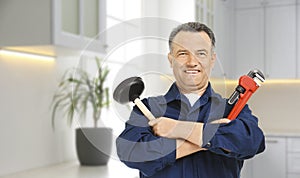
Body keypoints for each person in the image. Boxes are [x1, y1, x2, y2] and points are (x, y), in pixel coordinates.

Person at [116, 22, 265, 178]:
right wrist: (211, 137)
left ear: (212, 60)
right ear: (170, 59)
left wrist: (177, 128)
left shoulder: (232, 108)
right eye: (182, 53)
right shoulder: (148, 108)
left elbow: (252, 142)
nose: (192, 62)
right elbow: (131, 153)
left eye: (201, 53)